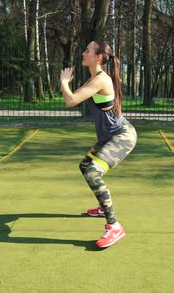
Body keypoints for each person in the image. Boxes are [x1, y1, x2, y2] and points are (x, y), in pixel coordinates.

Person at [60, 41, 137, 248]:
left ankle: (114, 226)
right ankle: (104, 207)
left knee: (93, 172)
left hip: (122, 136)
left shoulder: (100, 80)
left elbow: (71, 100)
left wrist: (64, 81)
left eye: (88, 51)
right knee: (85, 166)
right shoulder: (95, 78)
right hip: (109, 137)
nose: (83, 53)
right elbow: (74, 99)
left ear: (99, 57)